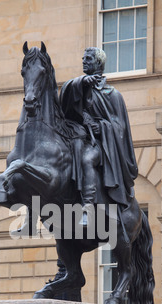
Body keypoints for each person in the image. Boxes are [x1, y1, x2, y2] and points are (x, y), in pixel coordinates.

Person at [60, 47, 138, 225]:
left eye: (88, 58)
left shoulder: (112, 95)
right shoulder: (78, 88)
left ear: (98, 63)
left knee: (87, 160)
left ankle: (87, 209)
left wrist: (101, 127)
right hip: (76, 140)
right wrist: (82, 82)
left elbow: (120, 128)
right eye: (83, 58)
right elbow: (64, 99)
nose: (83, 60)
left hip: (101, 146)